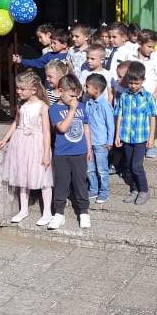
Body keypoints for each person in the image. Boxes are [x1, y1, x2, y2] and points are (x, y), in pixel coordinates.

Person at [0, 71, 53, 225]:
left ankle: (47, 212)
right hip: (20, 143)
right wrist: (4, 139)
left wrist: (46, 153)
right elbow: (16, 123)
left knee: (43, 177)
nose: (18, 91)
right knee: (22, 175)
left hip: (37, 144)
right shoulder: (21, 104)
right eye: (18, 88)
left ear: (33, 90)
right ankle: (23, 209)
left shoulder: (43, 107)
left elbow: (46, 131)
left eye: (22, 89)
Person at [48, 74, 92, 230]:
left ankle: (84, 212)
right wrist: (72, 110)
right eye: (72, 96)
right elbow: (62, 128)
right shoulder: (54, 109)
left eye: (77, 96)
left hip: (79, 152)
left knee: (80, 182)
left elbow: (86, 127)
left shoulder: (81, 106)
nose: (75, 99)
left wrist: (89, 147)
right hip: (62, 154)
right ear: (60, 91)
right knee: (62, 183)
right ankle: (59, 213)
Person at [114, 62, 157, 206]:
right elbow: (120, 115)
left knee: (136, 166)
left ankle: (144, 190)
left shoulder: (148, 97)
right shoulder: (124, 96)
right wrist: (117, 135)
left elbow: (152, 117)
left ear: (143, 80)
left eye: (136, 83)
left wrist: (151, 138)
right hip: (126, 137)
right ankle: (134, 189)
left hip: (141, 139)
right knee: (127, 165)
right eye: (131, 83)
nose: (133, 86)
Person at [129, 29, 157, 158]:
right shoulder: (131, 55)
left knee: (150, 120)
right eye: (149, 46)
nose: (152, 49)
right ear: (140, 43)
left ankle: (150, 145)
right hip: (134, 95)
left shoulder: (156, 56)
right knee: (135, 119)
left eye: (153, 46)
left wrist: (156, 93)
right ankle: (134, 144)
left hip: (149, 95)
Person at [84, 73, 115, 205]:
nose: (85, 88)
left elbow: (110, 124)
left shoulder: (104, 104)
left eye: (87, 86)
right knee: (89, 168)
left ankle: (104, 191)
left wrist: (110, 141)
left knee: (102, 169)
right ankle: (93, 189)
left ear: (96, 89)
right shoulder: (88, 102)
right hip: (89, 142)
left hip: (101, 143)